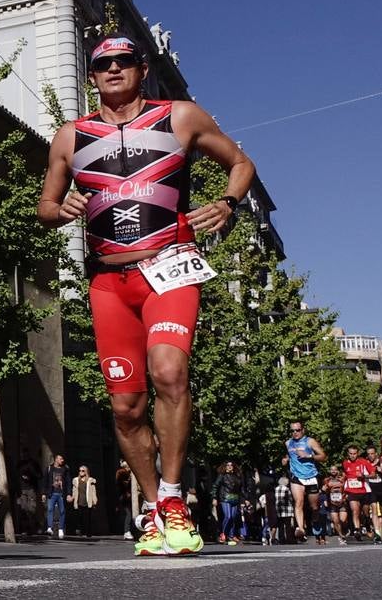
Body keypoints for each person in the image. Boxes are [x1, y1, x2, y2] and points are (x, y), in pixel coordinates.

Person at [38, 35, 256, 556]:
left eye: (123, 62)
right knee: (126, 406)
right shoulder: (70, 136)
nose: (113, 70)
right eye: (101, 64)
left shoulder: (180, 116)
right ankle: (155, 508)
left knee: (169, 372)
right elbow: (45, 204)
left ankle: (177, 497)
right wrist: (59, 207)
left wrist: (227, 203)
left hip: (168, 266)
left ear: (141, 69)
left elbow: (242, 164)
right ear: (91, 76)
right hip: (108, 281)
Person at [285, 420, 326, 544]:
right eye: (292, 430)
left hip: (311, 476)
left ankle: (314, 519)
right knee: (299, 502)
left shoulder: (310, 441)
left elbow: (323, 456)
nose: (295, 433)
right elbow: (290, 456)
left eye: (297, 430)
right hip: (296, 476)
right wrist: (285, 459)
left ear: (303, 430)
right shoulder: (288, 443)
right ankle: (301, 528)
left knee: (314, 507)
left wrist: (308, 456)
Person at [341, 445, 374, 542]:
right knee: (355, 511)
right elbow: (345, 476)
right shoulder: (345, 463)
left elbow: (373, 474)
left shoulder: (363, 462)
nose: (352, 456)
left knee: (365, 512)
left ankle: (368, 525)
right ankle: (357, 530)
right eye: (350, 454)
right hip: (352, 491)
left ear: (357, 453)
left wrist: (364, 476)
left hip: (363, 491)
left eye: (354, 454)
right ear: (348, 454)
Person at [212, 461, 243, 545]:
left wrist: (244, 500)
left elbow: (241, 489)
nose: (229, 467)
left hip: (235, 499)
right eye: (227, 465)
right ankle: (223, 534)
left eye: (231, 465)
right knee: (228, 516)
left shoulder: (237, 476)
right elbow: (215, 486)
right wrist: (214, 498)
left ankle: (231, 535)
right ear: (225, 467)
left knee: (233, 517)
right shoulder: (222, 476)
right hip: (225, 498)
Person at [42, 453, 70, 538]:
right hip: (52, 493)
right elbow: (45, 481)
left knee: (62, 511)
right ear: (56, 459)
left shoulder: (65, 469)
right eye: (61, 459)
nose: (62, 460)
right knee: (50, 510)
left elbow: (68, 482)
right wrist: (43, 493)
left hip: (61, 494)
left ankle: (61, 529)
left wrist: (69, 493)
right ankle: (50, 528)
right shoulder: (49, 468)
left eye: (63, 459)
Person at [322, 465, 348, 545]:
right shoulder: (326, 480)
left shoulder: (342, 478)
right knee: (335, 521)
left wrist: (346, 495)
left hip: (342, 502)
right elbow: (324, 491)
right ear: (329, 471)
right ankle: (341, 536)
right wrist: (323, 491)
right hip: (332, 503)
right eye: (331, 469)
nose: (333, 471)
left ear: (338, 471)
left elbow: (347, 487)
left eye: (335, 470)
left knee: (343, 520)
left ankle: (345, 531)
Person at [70, 465, 98, 537]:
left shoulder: (90, 480)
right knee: (79, 518)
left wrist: (94, 501)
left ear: (86, 472)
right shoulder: (76, 480)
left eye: (82, 471)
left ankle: (88, 533)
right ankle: (80, 531)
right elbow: (74, 491)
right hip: (79, 501)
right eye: (79, 470)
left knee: (88, 519)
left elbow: (93, 492)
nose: (80, 472)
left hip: (87, 501)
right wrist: (72, 498)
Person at [114, 459, 134, 539]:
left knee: (130, 514)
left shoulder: (128, 473)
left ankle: (129, 531)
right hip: (125, 497)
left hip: (128, 496)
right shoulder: (122, 472)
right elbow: (120, 484)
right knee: (129, 513)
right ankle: (127, 531)